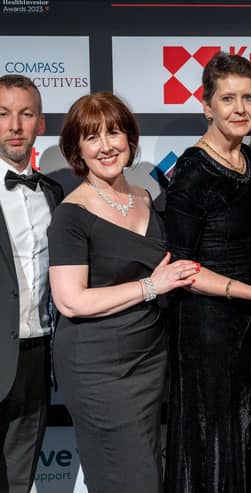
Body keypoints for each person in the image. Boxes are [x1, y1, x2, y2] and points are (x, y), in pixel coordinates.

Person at [47, 92, 198, 493]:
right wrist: (152, 286)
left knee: (148, 471)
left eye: (114, 133)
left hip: (147, 361)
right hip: (97, 369)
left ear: (129, 139)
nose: (106, 146)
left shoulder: (144, 197)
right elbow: (70, 300)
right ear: (77, 150)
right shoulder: (71, 214)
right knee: (129, 480)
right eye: (92, 137)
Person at [164, 52, 251, 493]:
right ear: (207, 106)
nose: (240, 109)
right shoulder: (191, 172)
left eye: (249, 98)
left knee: (246, 436)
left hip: (250, 324)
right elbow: (182, 269)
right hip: (206, 329)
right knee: (214, 440)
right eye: (228, 99)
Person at [0, 74, 63, 493]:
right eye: (3, 114)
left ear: (41, 122)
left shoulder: (55, 194)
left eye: (26, 114)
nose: (15, 126)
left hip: (37, 357)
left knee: (20, 479)